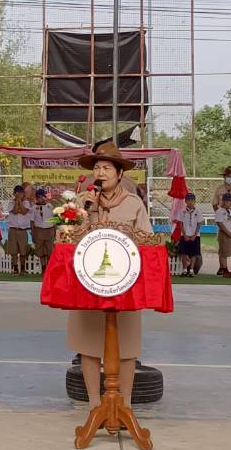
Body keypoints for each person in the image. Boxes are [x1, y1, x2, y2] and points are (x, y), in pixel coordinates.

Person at [69, 139, 152, 414]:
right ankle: (95, 404)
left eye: (106, 168)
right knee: (89, 345)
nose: (101, 173)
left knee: (126, 346)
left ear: (120, 174)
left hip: (124, 285)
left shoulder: (134, 204)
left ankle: (124, 405)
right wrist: (82, 213)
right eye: (98, 168)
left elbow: (149, 242)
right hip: (88, 283)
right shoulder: (81, 202)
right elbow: (68, 241)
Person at [5, 184, 33, 275]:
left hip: (22, 230)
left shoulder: (26, 202)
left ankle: (23, 268)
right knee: (13, 250)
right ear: (14, 193)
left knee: (23, 250)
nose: (19, 194)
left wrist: (20, 201)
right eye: (17, 193)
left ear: (23, 194)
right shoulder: (10, 202)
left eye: (21, 193)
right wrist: (17, 201)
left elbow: (24, 211)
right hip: (13, 229)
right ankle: (15, 268)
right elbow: (14, 211)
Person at [30, 187, 57, 272]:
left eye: (42, 197)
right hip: (39, 230)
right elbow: (32, 221)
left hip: (49, 229)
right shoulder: (34, 208)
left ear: (45, 197)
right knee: (41, 250)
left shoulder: (50, 206)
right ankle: (43, 267)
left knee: (50, 250)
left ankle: (49, 267)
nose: (41, 199)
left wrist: (55, 231)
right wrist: (33, 233)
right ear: (36, 198)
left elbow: (54, 219)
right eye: (39, 197)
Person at [214, 192, 231, 277]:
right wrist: (228, 233)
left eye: (228, 201)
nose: (225, 202)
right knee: (224, 253)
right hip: (225, 234)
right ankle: (225, 270)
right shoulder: (219, 211)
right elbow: (220, 224)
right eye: (224, 200)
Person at [178, 192, 203, 277]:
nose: (190, 202)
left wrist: (194, 235)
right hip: (184, 235)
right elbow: (180, 223)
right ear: (185, 201)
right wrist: (184, 234)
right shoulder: (182, 211)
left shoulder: (198, 211)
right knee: (184, 253)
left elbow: (199, 224)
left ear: (195, 201)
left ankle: (191, 270)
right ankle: (185, 270)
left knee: (194, 253)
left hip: (195, 236)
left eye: (192, 200)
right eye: (188, 200)